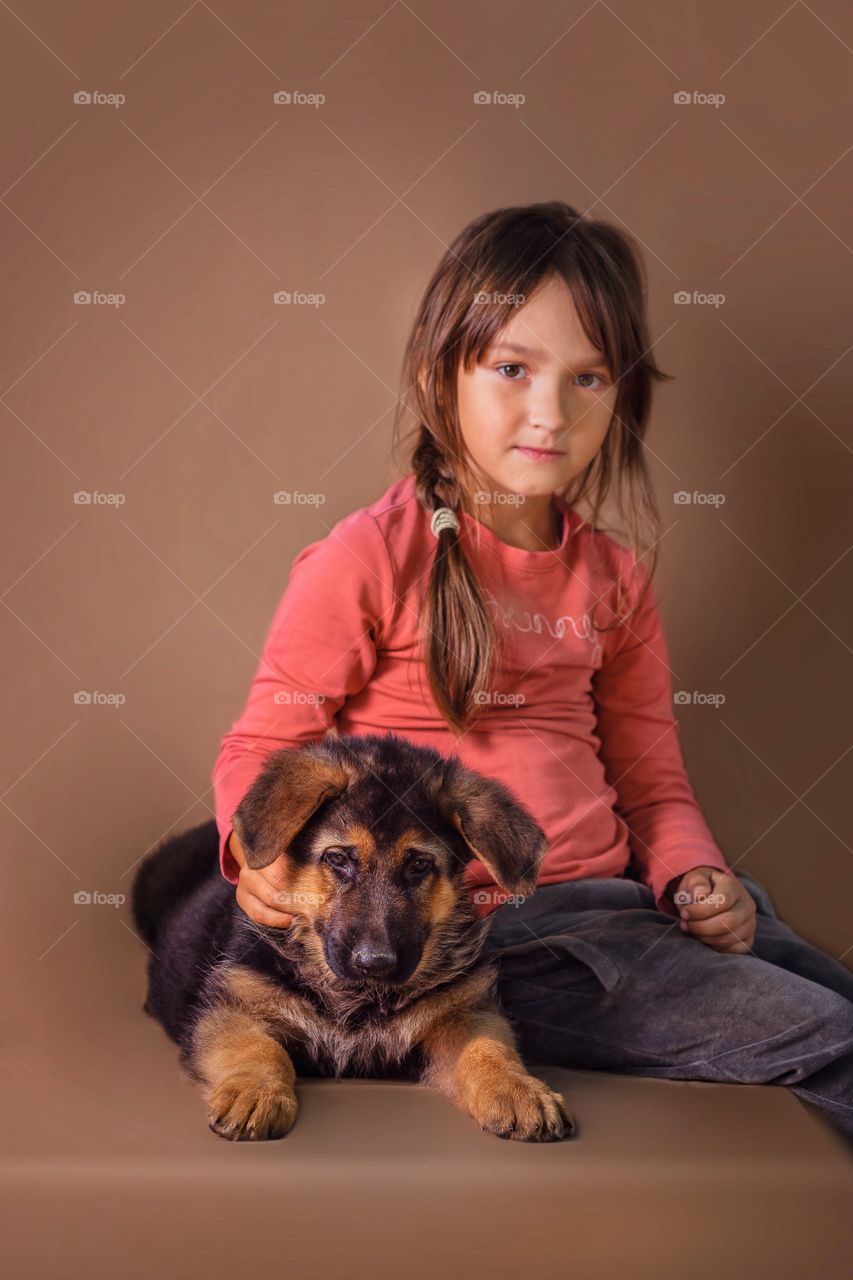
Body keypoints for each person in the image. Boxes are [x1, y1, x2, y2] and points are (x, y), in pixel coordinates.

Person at [212, 201, 853, 1143]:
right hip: (494, 932)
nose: (551, 413)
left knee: (832, 992)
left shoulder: (612, 576)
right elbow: (264, 744)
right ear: (440, 374)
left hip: (627, 906)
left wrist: (692, 873)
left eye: (586, 377)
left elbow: (650, 781)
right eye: (512, 369)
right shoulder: (367, 558)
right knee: (835, 1040)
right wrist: (257, 859)